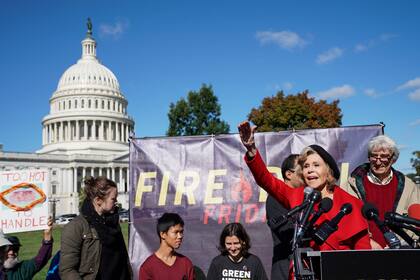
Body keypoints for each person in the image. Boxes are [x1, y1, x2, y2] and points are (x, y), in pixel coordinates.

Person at [238, 121, 371, 253]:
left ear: (328, 170)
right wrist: (251, 150)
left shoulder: (351, 204)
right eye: (306, 166)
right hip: (303, 270)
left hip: (338, 271)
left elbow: (363, 254)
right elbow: (266, 180)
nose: (310, 170)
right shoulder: (297, 195)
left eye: (316, 165)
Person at [343, 135, 420, 248]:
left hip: (401, 250)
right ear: (369, 157)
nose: (378, 162)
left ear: (393, 159)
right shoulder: (351, 184)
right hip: (365, 250)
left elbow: (416, 220)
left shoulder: (408, 186)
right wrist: (367, 242)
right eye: (374, 156)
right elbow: (348, 221)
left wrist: (407, 243)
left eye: (384, 157)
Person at [60, 176, 131, 280]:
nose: (116, 202)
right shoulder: (76, 227)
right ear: (98, 200)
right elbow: (67, 270)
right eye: (113, 198)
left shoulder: (112, 222)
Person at [266, 154, 302, 280]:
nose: (307, 172)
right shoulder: (275, 198)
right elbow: (285, 232)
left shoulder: (309, 197)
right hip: (286, 269)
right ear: (289, 174)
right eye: (302, 168)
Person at [139, 212, 194, 280]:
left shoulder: (186, 263)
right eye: (176, 232)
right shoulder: (148, 268)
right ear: (163, 234)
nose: (180, 236)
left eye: (181, 232)